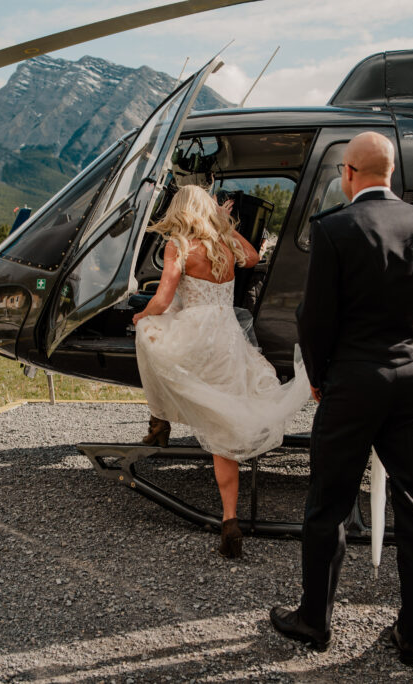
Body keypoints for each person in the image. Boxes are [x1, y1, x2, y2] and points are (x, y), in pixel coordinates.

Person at [270, 132, 413, 665]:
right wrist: (409, 344)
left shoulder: (335, 229)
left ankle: (315, 621)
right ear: (391, 171)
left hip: (352, 382)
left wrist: (321, 374)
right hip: (411, 377)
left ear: (349, 173)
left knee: (328, 503)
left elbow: (316, 318)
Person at [132, 184, 310, 559]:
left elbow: (164, 299)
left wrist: (142, 315)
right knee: (221, 429)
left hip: (193, 336)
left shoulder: (178, 246)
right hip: (226, 338)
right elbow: (252, 256)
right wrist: (224, 225)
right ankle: (230, 519)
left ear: (180, 210)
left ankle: (159, 420)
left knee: (148, 338)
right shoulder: (225, 246)